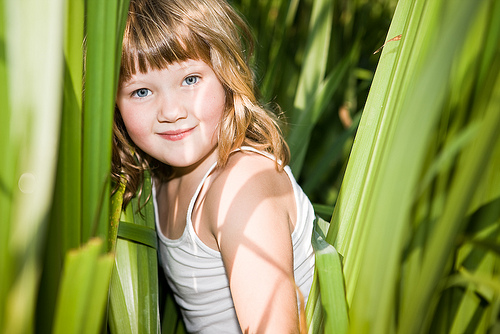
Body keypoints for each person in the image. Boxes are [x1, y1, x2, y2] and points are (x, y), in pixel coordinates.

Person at [112, 0, 316, 332]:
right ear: (114, 106)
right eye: (142, 91)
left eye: (190, 79)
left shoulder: (241, 186)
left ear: (226, 74)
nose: (171, 111)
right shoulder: (157, 178)